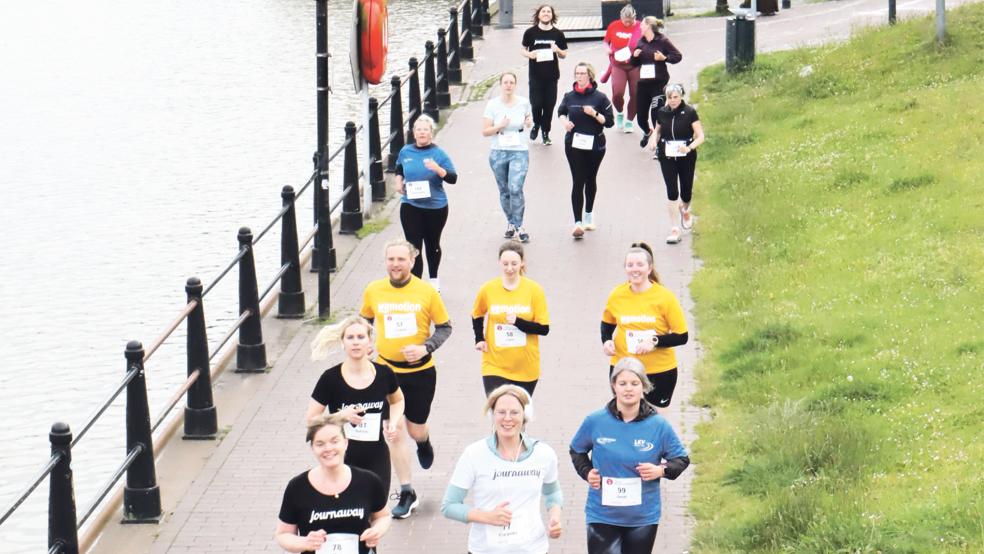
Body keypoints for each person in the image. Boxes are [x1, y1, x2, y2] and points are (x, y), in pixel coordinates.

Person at [360, 239, 453, 519]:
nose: (396, 265)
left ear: (412, 262)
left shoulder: (426, 292)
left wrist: (425, 347)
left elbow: (445, 328)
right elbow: (364, 320)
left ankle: (424, 442)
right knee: (394, 430)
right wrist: (365, 342)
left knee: (415, 429)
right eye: (391, 260)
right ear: (385, 261)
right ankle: (407, 491)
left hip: (420, 373)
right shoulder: (374, 290)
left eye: (401, 259)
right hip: (386, 371)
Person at [569, 358, 690, 554]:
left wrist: (661, 470)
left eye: (635, 383)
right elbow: (577, 450)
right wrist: (587, 471)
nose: (628, 389)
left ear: (644, 386)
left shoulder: (658, 425)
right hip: (602, 514)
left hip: (642, 517)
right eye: (622, 383)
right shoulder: (595, 421)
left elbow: (681, 460)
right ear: (613, 386)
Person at [441, 385, 563, 554]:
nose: (507, 419)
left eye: (514, 412)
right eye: (501, 412)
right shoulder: (474, 454)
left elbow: (552, 493)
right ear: (492, 414)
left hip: (533, 548)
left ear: (525, 415)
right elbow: (449, 505)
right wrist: (487, 517)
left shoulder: (544, 453)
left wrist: (555, 517)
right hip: (485, 549)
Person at [307, 315, 405, 494]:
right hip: (342, 458)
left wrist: (393, 422)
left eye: (361, 337)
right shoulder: (330, 379)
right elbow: (311, 420)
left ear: (370, 341)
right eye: (350, 338)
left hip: (377, 457)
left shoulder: (384, 374)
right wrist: (341, 416)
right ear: (342, 342)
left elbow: (398, 400)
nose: (356, 343)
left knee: (377, 513)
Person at [275, 413, 392, 554]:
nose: (328, 448)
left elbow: (383, 516)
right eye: (320, 444)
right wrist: (305, 542)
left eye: (335, 441)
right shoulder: (297, 488)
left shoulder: (368, 481)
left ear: (346, 443)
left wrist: (376, 531)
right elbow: (283, 535)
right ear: (312, 448)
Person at [601, 242, 688, 414]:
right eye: (630, 265)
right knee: (625, 418)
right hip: (624, 369)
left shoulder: (664, 297)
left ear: (649, 268)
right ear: (625, 268)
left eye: (640, 265)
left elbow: (681, 336)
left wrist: (654, 341)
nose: (635, 269)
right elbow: (607, 323)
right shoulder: (617, 295)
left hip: (659, 371)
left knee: (654, 423)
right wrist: (606, 341)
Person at [472, 242, 550, 396]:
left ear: (522, 263)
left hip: (525, 367)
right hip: (494, 364)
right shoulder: (488, 289)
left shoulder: (534, 290)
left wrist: (518, 322)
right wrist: (479, 338)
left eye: (514, 263)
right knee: (499, 412)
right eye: (505, 263)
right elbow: (477, 314)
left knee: (517, 416)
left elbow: (543, 329)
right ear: (499, 263)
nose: (509, 268)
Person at [395, 114, 458, 291]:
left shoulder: (438, 154)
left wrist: (438, 169)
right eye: (418, 130)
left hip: (435, 207)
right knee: (413, 245)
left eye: (425, 130)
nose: (422, 133)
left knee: (432, 243)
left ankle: (433, 279)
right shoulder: (406, 151)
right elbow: (399, 167)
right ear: (414, 133)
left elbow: (453, 178)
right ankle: (415, 283)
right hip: (410, 205)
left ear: (431, 133)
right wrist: (398, 181)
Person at [557, 62, 614, 239]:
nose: (579, 76)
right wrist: (564, 123)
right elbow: (560, 112)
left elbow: (610, 122)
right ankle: (577, 222)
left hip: (595, 145)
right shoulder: (569, 97)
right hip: (574, 144)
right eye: (577, 73)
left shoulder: (600, 98)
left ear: (590, 75)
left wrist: (595, 114)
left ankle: (589, 213)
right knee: (578, 180)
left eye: (582, 73)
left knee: (590, 179)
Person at [649, 83, 704, 244]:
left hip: (685, 154)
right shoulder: (662, 112)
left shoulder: (689, 112)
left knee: (686, 191)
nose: (672, 101)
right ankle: (674, 228)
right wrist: (653, 141)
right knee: (672, 191)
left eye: (675, 97)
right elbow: (657, 130)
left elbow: (700, 136)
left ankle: (684, 209)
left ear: (681, 97)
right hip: (667, 154)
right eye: (669, 97)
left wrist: (689, 147)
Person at [483, 72, 534, 243]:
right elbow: (485, 131)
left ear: (515, 85)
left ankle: (519, 225)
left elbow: (528, 118)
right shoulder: (492, 105)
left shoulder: (523, 103)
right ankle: (510, 222)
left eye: (511, 82)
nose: (508, 85)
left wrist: (528, 122)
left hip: (519, 150)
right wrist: (499, 126)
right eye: (505, 82)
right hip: (498, 151)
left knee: (515, 188)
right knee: (504, 191)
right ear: (500, 85)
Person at [631, 17, 682, 148]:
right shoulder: (641, 42)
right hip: (643, 84)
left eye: (641, 24)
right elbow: (633, 64)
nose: (640, 27)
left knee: (656, 114)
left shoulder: (662, 40)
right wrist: (634, 56)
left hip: (658, 83)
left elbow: (678, 56)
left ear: (648, 26)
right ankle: (648, 132)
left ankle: (659, 145)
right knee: (641, 119)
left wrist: (664, 58)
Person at [521, 4, 568, 146]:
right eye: (543, 11)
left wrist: (557, 49)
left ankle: (546, 132)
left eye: (549, 12)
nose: (546, 13)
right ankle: (536, 124)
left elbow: (564, 54)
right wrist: (530, 54)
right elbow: (522, 49)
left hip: (552, 76)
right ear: (539, 15)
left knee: (549, 106)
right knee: (536, 104)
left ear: (552, 15)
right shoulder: (530, 32)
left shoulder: (558, 34)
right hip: (535, 75)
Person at [602, 4, 641, 133]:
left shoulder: (640, 26)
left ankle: (629, 120)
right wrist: (607, 49)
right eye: (625, 21)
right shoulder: (614, 25)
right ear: (621, 17)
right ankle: (619, 112)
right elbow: (606, 41)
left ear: (635, 18)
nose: (628, 23)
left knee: (635, 93)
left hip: (634, 64)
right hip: (618, 64)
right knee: (618, 92)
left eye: (630, 21)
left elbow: (647, 41)